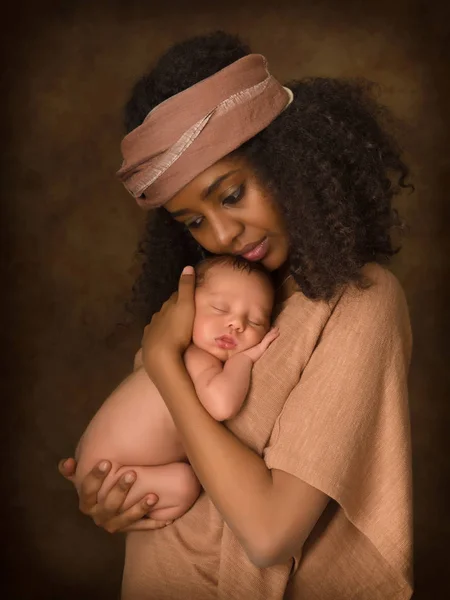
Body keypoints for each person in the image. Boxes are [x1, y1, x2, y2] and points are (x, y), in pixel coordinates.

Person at [58, 31, 413, 600]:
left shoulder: (360, 302)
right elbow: (165, 452)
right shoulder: (210, 302)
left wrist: (163, 362)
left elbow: (270, 534)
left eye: (230, 195)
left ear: (288, 162)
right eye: (193, 221)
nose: (221, 234)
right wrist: (116, 493)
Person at [74, 255, 279, 521]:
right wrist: (244, 360)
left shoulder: (164, 357)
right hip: (109, 475)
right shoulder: (194, 358)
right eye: (219, 308)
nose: (237, 324)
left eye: (255, 322)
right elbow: (222, 405)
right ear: (184, 307)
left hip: (95, 462)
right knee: (185, 483)